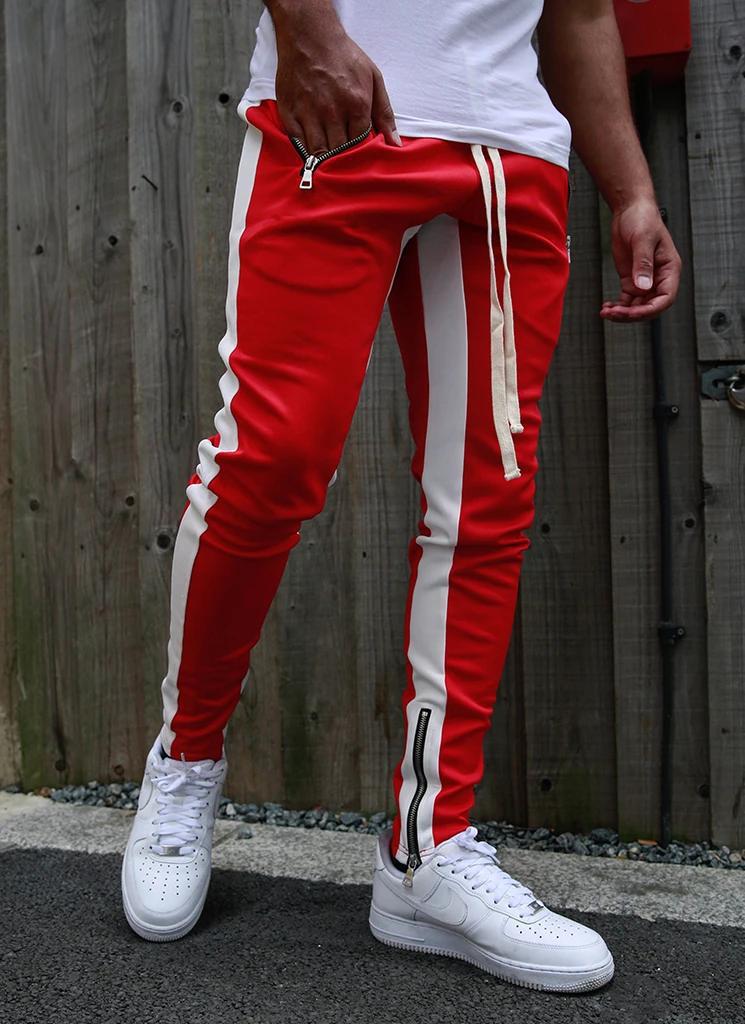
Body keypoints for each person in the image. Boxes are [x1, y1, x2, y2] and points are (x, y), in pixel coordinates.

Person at [120, 0, 680, 991]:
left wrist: (630, 188)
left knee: (486, 499)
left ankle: (428, 848)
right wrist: (306, 34)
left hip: (507, 154)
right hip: (336, 117)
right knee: (270, 460)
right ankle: (185, 763)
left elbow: (583, 9)